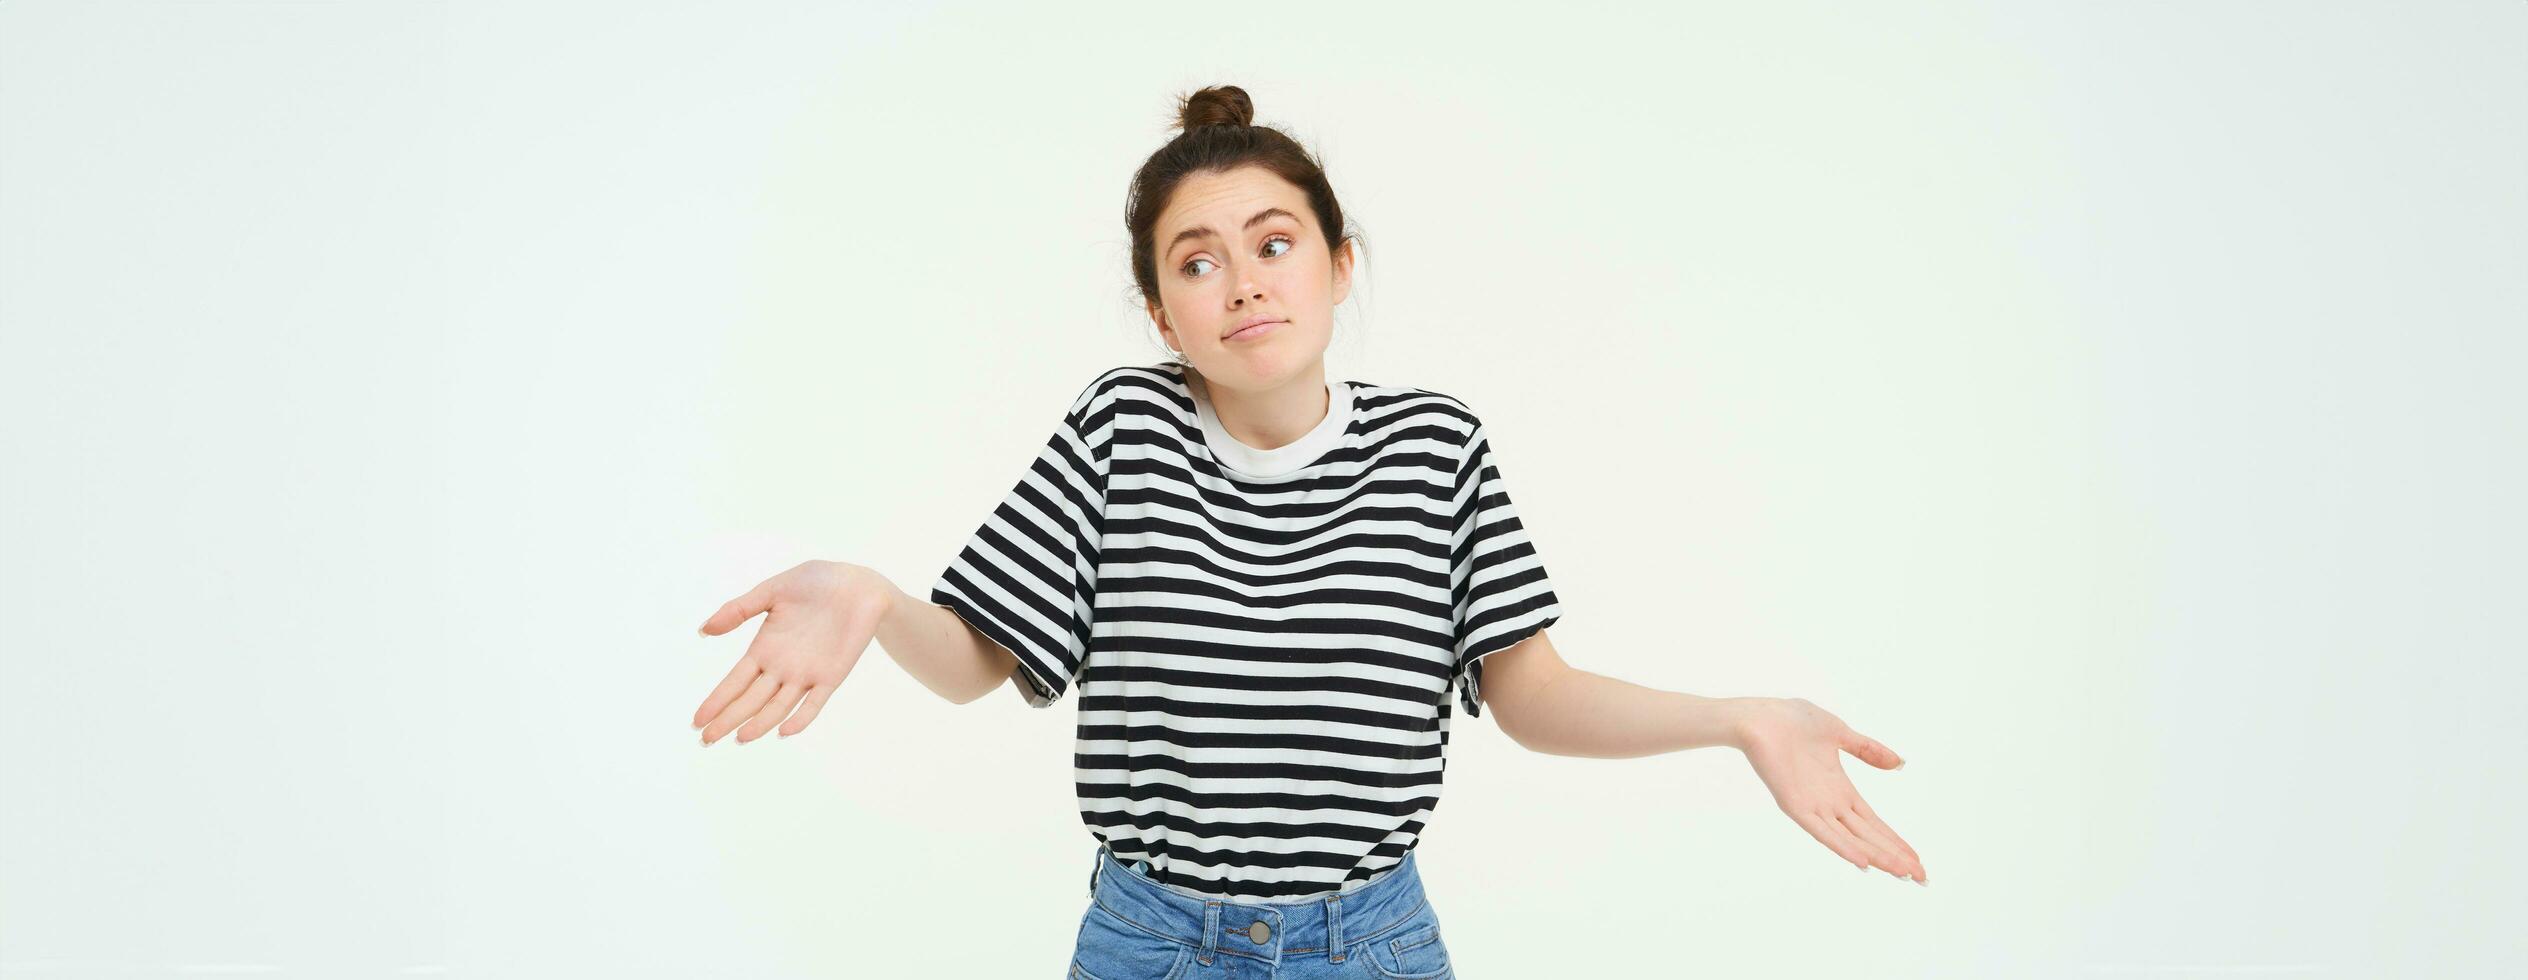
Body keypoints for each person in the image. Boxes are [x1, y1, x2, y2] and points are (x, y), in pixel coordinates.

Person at [691, 84, 1925, 979]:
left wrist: (1736, 717)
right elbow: (979, 656)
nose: (1242, 283)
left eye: (1274, 245)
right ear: (1162, 313)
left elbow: (1532, 692)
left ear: (1337, 266)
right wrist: (870, 593)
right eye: (1196, 262)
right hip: (1150, 943)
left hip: (1369, 942)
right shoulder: (1120, 428)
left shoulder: (1437, 447)